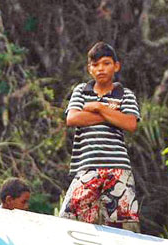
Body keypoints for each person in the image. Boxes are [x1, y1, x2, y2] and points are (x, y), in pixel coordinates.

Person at [61, 42, 141, 229]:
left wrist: (98, 107)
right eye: (95, 65)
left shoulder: (125, 94)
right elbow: (73, 118)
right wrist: (112, 115)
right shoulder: (81, 90)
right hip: (87, 166)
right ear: (90, 69)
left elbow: (130, 123)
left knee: (123, 226)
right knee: (70, 220)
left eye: (106, 63)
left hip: (118, 168)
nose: (100, 69)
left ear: (116, 66)